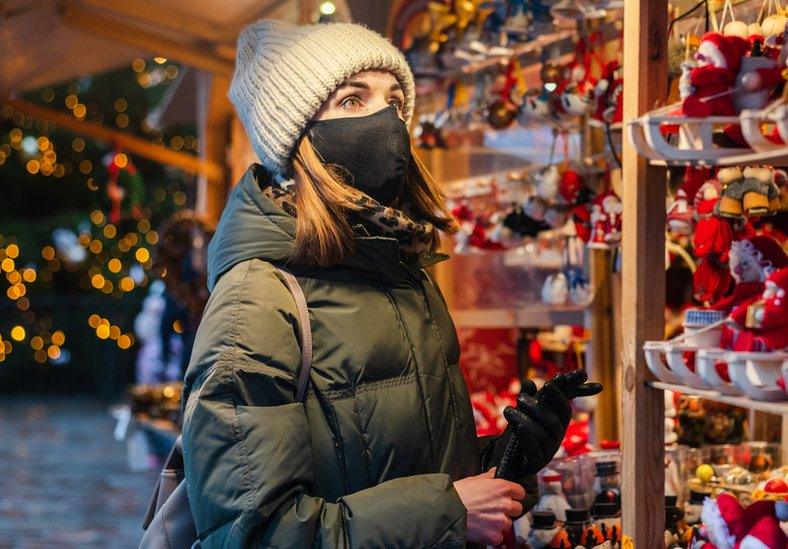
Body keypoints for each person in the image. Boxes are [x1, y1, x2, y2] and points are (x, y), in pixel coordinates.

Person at [181, 20, 601, 548]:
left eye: (396, 100)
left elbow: (410, 473)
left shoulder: (402, 271)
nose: (386, 119)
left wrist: (509, 458)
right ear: (295, 138)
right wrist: (445, 511)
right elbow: (251, 535)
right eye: (353, 101)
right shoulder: (257, 301)